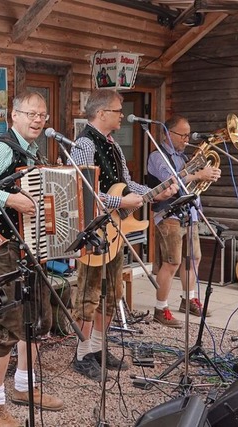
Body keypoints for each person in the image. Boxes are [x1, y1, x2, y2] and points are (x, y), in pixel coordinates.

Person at [0, 90, 64, 427]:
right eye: (31, 114)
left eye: (42, 115)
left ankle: (24, 386)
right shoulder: (1, 148)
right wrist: (10, 199)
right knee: (7, 324)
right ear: (14, 116)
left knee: (37, 319)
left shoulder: (34, 152)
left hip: (31, 245)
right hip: (3, 247)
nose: (38, 120)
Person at [68, 88, 178, 381]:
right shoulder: (83, 144)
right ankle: (81, 354)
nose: (121, 115)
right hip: (94, 230)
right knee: (89, 293)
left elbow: (126, 184)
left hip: (115, 230)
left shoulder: (113, 146)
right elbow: (80, 188)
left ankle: (99, 349)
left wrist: (155, 192)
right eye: (118, 111)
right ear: (102, 113)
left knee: (112, 292)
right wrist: (120, 202)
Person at [146, 115, 220, 327]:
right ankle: (161, 309)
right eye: (183, 135)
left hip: (190, 213)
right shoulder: (157, 156)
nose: (187, 139)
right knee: (172, 262)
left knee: (193, 259)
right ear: (168, 134)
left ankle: (189, 300)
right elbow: (171, 182)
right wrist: (198, 175)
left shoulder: (182, 157)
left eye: (188, 134)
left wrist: (209, 175)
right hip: (169, 215)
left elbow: (191, 183)